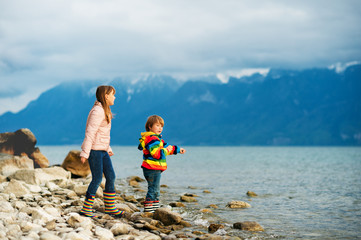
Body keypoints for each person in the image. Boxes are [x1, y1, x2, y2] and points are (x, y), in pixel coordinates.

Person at [79, 85, 125, 218]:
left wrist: (108, 148)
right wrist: (85, 153)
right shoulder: (97, 111)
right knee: (97, 179)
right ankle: (86, 209)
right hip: (94, 151)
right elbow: (90, 132)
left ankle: (110, 208)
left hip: (102, 150)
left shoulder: (105, 110)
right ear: (106, 96)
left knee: (111, 177)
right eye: (113, 94)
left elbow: (102, 133)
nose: (114, 97)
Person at [138, 115, 186, 213]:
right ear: (150, 127)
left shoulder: (157, 139)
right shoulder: (152, 139)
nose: (160, 128)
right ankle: (148, 211)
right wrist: (165, 150)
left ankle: (156, 209)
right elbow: (157, 153)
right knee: (153, 189)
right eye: (157, 125)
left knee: (156, 189)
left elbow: (168, 147)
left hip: (153, 168)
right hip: (152, 168)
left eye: (161, 126)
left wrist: (177, 150)